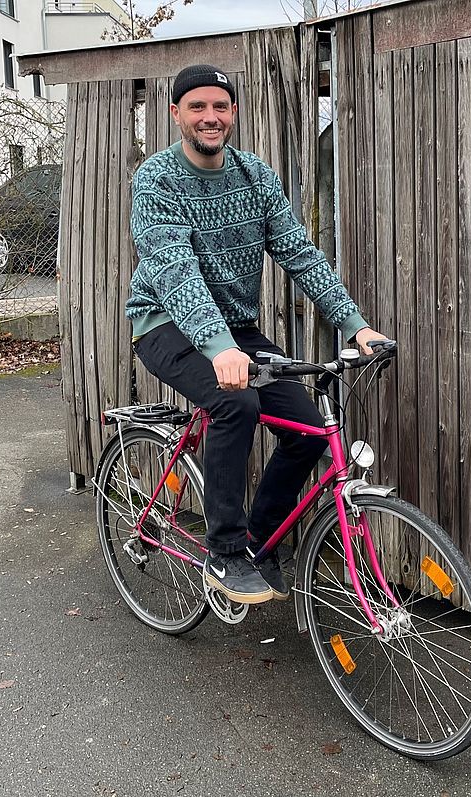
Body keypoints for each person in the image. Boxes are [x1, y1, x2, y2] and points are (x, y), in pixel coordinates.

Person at [126, 64, 386, 605]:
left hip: (237, 331)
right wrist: (219, 348)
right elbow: (174, 267)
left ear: (234, 113)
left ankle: (254, 543)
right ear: (176, 114)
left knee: (310, 430)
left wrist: (355, 325)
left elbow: (300, 254)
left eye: (220, 106)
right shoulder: (156, 180)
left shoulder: (255, 177)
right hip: (166, 323)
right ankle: (222, 556)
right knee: (236, 404)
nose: (210, 116)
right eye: (197, 106)